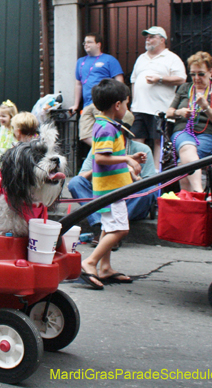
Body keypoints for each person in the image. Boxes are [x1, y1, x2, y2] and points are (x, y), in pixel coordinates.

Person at [79, 79, 145, 290]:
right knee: (120, 230)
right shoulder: (107, 128)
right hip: (110, 189)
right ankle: (90, 261)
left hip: (111, 187)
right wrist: (127, 160)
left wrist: (129, 155)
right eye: (126, 104)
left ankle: (105, 267)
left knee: (109, 228)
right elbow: (101, 158)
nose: (127, 108)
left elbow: (109, 155)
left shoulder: (106, 125)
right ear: (118, 105)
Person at [165, 52, 212, 192]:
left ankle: (188, 200)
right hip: (183, 131)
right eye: (193, 74)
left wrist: (206, 107)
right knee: (187, 148)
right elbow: (168, 112)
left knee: (185, 160)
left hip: (208, 134)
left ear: (210, 72)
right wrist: (179, 112)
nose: (196, 78)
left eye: (201, 74)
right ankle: (199, 192)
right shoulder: (184, 88)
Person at [129, 26, 187, 170]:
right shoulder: (141, 58)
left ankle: (156, 174)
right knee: (136, 140)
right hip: (139, 108)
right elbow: (134, 81)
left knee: (158, 141)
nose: (147, 39)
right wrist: (133, 103)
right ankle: (137, 172)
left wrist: (160, 79)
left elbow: (181, 79)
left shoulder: (172, 58)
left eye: (151, 36)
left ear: (162, 40)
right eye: (146, 37)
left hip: (160, 108)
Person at [68, 138, 157, 228]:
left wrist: (134, 176)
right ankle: (101, 222)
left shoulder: (143, 149)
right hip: (101, 199)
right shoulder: (98, 149)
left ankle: (106, 225)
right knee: (75, 183)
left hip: (128, 201)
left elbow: (151, 184)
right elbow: (81, 177)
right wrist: (99, 166)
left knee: (151, 190)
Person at [68, 33, 126, 145]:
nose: (86, 44)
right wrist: (76, 105)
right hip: (87, 104)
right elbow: (78, 84)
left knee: (106, 131)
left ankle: (109, 152)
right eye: (84, 42)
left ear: (98, 44)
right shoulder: (80, 61)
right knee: (85, 135)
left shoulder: (109, 60)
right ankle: (103, 151)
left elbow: (119, 81)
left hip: (103, 102)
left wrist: (122, 101)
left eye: (89, 42)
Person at [0, 99, 18, 169]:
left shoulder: (14, 128)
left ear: (11, 116)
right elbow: (2, 134)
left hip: (9, 152)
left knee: (8, 167)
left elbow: (18, 137)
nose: (0, 118)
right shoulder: (3, 127)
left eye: (4, 116)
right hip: (0, 151)